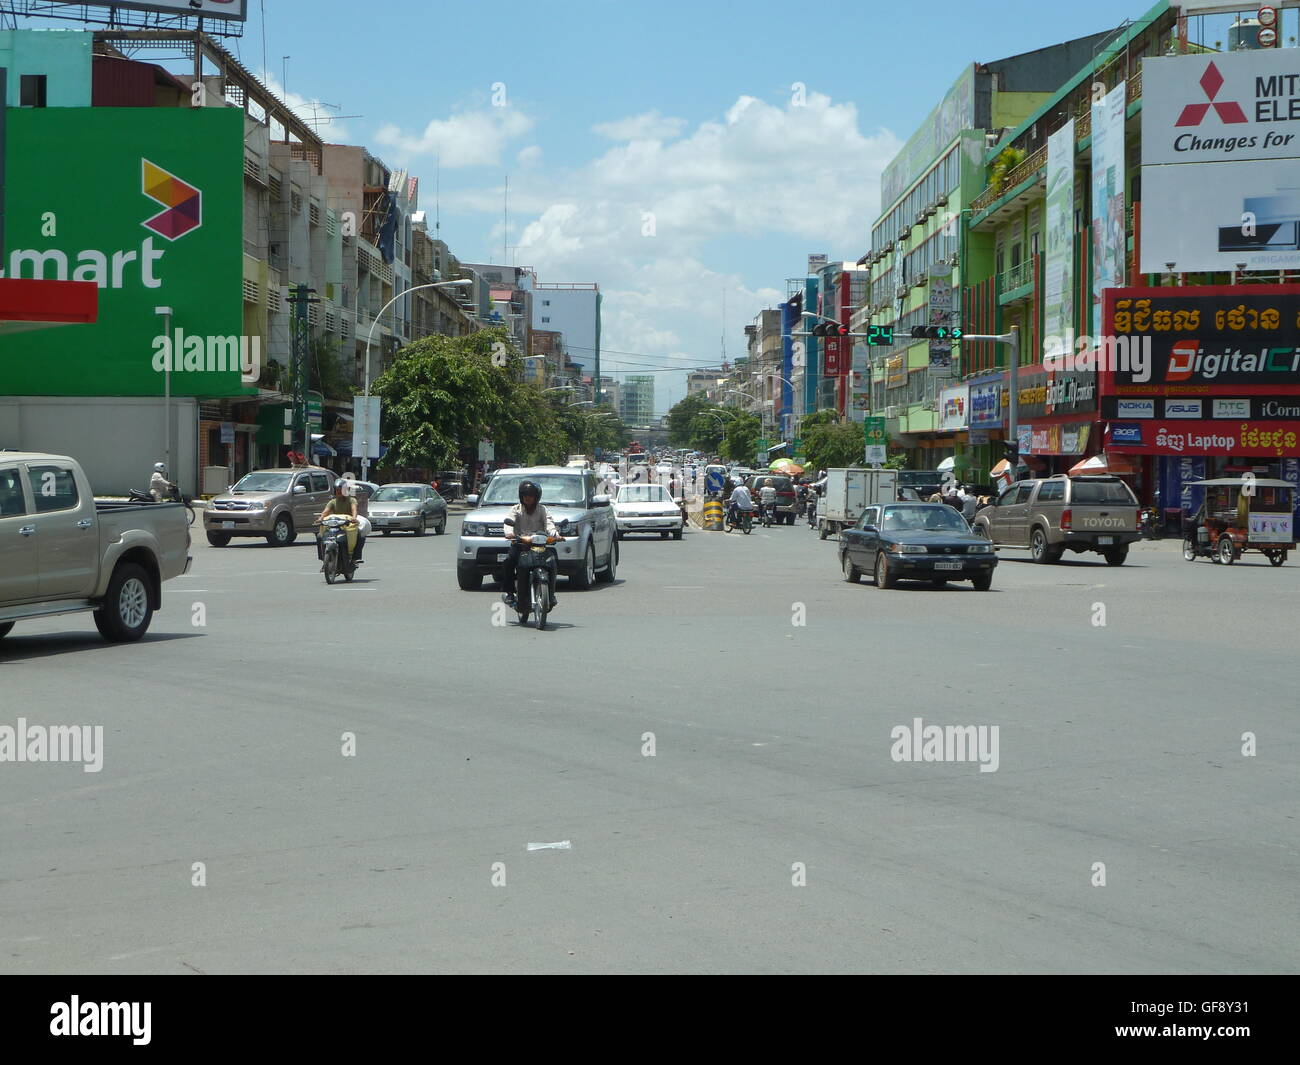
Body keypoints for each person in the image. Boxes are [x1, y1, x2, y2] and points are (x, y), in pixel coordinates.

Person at [499, 480, 561, 610]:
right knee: (509, 561)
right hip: (520, 545)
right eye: (525, 495)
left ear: (536, 497)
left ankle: (551, 594)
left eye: (531, 495)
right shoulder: (516, 509)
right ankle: (509, 593)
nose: (527, 498)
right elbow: (509, 522)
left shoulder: (542, 510)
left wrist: (555, 535)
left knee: (553, 561)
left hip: (540, 546)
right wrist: (510, 534)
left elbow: (549, 524)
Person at [317, 479, 365, 566]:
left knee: (360, 535)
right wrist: (320, 518)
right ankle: (324, 559)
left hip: (348, 525)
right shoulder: (332, 502)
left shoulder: (351, 500)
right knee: (320, 536)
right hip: (334, 525)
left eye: (340, 490)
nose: (338, 492)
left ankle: (354, 559)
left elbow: (354, 509)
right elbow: (325, 512)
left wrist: (354, 518)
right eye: (337, 490)